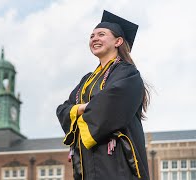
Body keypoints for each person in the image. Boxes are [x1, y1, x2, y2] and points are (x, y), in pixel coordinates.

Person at [56, 10, 150, 180]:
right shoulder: (86, 80)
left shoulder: (128, 73)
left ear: (118, 41)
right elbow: (63, 109)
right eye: (92, 36)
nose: (94, 39)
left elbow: (110, 104)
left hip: (116, 160)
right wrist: (82, 108)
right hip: (86, 161)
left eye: (101, 34)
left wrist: (80, 110)